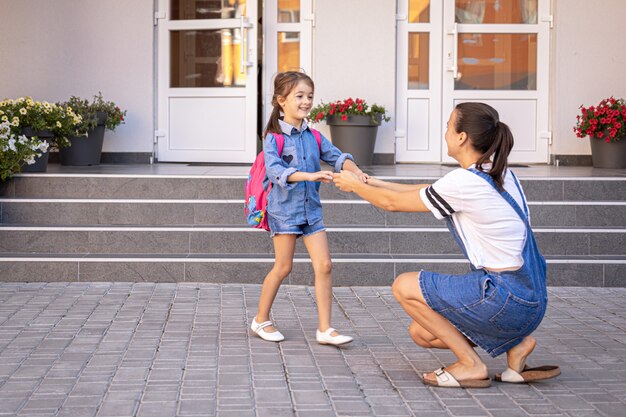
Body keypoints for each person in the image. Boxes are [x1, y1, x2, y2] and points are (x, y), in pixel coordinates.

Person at [333, 102, 560, 387]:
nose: (445, 132)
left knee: (404, 286)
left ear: (462, 137)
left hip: (505, 297)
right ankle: (516, 345)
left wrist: (355, 187)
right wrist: (369, 181)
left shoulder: (465, 182)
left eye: (448, 126)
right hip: (531, 297)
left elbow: (393, 205)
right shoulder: (498, 173)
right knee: (423, 332)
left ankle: (470, 364)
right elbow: (423, 192)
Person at [250, 71, 367, 345]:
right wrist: (310, 175)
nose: (306, 102)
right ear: (281, 101)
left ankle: (325, 329)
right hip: (284, 212)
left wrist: (358, 173)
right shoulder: (273, 138)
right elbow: (277, 171)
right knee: (283, 267)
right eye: (299, 96)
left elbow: (337, 157)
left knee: (325, 265)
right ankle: (260, 319)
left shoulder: (313, 136)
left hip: (311, 211)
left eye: (309, 96)